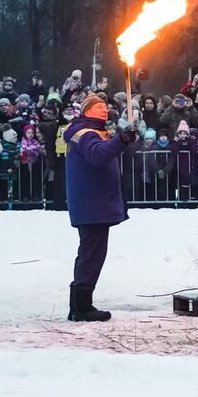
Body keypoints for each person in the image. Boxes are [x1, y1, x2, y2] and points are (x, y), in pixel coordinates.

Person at [63, 92, 138, 322]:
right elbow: (98, 155)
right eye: (98, 107)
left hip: (94, 204)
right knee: (91, 253)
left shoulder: (94, 132)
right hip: (91, 204)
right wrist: (120, 140)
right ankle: (81, 306)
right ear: (86, 111)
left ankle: (80, 304)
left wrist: (122, 140)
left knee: (92, 252)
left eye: (105, 107)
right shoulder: (84, 133)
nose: (104, 110)